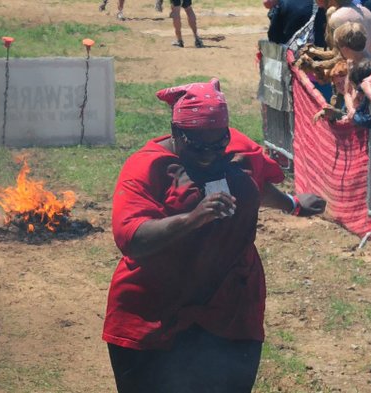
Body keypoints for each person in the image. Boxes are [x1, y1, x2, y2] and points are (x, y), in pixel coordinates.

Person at [103, 79, 326, 393]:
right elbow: (132, 239)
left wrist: (292, 204)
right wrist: (192, 219)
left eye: (218, 143)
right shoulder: (146, 167)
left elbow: (257, 185)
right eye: (197, 145)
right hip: (155, 316)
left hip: (231, 310)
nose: (209, 153)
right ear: (175, 131)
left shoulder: (237, 150)